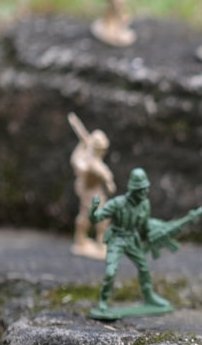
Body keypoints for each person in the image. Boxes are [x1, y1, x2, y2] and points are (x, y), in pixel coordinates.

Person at [91, 168, 169, 315]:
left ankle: (149, 296)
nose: (145, 192)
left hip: (132, 240)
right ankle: (103, 301)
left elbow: (145, 226)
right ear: (133, 189)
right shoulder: (117, 203)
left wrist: (160, 229)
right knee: (110, 272)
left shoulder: (145, 204)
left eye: (146, 189)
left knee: (144, 268)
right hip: (117, 239)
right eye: (141, 190)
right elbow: (97, 218)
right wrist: (94, 208)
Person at [68, 113, 116, 259]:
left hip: (96, 193)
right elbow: (78, 164)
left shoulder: (93, 161)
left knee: (99, 218)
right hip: (89, 194)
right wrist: (82, 145)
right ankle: (83, 241)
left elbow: (105, 174)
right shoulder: (88, 161)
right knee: (90, 218)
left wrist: (108, 181)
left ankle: (97, 243)